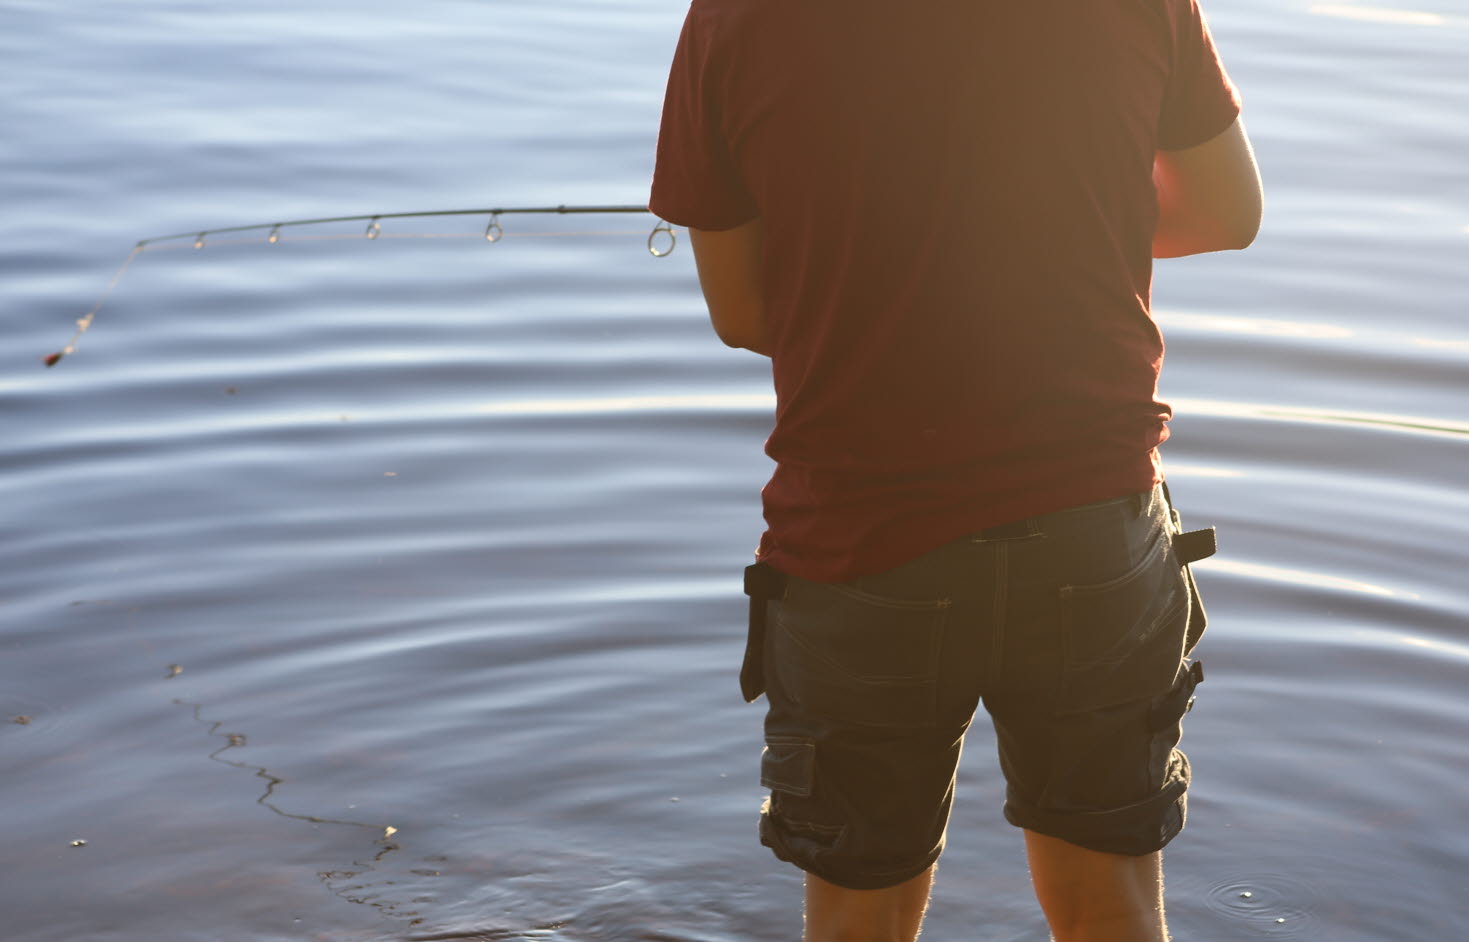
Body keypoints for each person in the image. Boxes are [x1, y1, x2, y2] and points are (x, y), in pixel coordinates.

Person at [648, 1, 1262, 939]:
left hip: (860, 541)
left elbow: (745, 312)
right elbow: (1228, 211)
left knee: (859, 919)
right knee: (1113, 909)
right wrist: (1050, 244)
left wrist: (890, 276)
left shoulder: (737, 15)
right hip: (1091, 524)